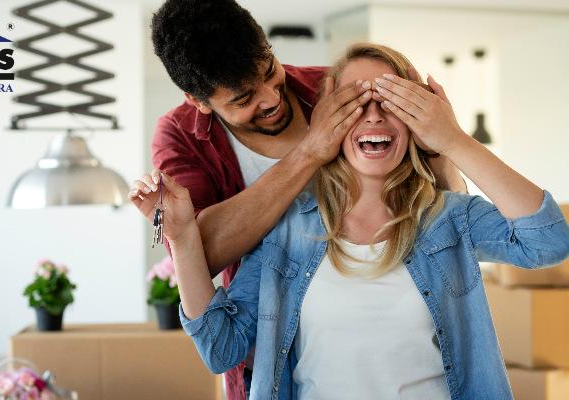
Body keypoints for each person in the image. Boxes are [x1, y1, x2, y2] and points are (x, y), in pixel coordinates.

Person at [131, 42, 569, 399]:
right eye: (356, 102)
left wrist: (453, 139)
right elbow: (221, 347)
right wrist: (182, 235)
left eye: (392, 101)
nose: (375, 115)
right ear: (327, 117)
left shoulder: (449, 218)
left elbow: (550, 241)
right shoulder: (286, 231)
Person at [149, 2, 464, 395]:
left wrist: (443, 146)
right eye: (244, 98)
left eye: (269, 70)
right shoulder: (178, 137)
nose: (270, 99)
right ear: (198, 100)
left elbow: (450, 213)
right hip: (271, 359)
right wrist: (310, 151)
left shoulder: (332, 89)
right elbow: (197, 250)